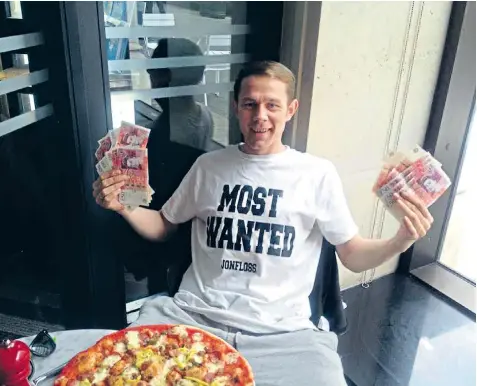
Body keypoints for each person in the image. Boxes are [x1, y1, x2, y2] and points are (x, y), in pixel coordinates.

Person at [92, 61, 434, 385]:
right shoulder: (208, 167)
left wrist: (399, 241)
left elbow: (352, 254)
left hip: (284, 336)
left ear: (291, 109)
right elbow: (164, 225)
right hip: (192, 316)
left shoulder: (316, 174)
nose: (260, 116)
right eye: (250, 104)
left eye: (272, 105)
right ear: (236, 107)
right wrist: (124, 207)